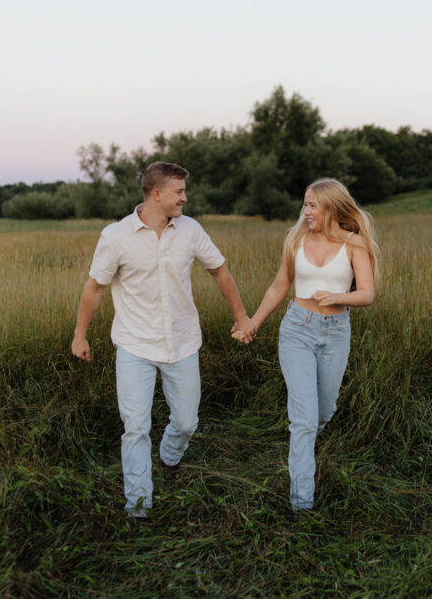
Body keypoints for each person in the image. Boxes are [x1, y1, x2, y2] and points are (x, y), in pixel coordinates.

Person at [72, 161, 255, 523]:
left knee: (187, 422)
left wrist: (241, 315)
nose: (185, 198)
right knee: (135, 427)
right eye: (179, 192)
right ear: (156, 194)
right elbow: (95, 288)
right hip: (134, 345)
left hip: (183, 343)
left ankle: (170, 457)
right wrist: (80, 335)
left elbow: (218, 271)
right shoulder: (116, 236)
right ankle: (138, 506)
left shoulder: (190, 231)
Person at [238, 178, 379, 513]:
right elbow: (279, 286)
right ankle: (301, 503)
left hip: (335, 332)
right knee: (303, 420)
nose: (306, 211)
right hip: (297, 330)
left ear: (331, 207)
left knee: (324, 410)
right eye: (305, 204)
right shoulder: (295, 238)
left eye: (313, 205)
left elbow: (368, 293)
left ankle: (303, 448)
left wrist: (337, 296)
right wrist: (252, 323)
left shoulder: (354, 244)